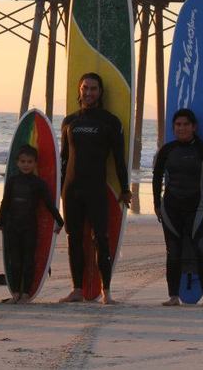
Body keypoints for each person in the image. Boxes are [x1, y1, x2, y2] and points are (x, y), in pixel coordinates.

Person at [59, 72, 132, 305]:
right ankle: (77, 289)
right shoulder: (69, 121)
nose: (88, 93)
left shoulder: (110, 122)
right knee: (74, 238)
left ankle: (107, 292)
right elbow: (63, 159)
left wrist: (125, 188)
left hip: (96, 189)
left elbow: (119, 160)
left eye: (93, 89)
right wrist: (58, 191)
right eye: (85, 88)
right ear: (79, 91)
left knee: (101, 238)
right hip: (72, 189)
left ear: (100, 93)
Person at [152, 108, 203, 308]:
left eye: (186, 124)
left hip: (197, 207)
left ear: (194, 127)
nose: (182, 128)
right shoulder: (167, 150)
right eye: (178, 125)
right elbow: (156, 178)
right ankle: (173, 297)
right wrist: (156, 204)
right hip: (170, 207)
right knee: (173, 251)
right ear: (173, 127)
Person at [0, 144, 63, 303]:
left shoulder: (38, 183)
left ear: (35, 163)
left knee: (28, 260)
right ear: (17, 163)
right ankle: (15, 293)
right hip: (12, 226)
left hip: (29, 226)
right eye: (23, 161)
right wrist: (0, 220)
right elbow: (5, 202)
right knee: (15, 260)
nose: (26, 164)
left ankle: (25, 292)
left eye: (29, 161)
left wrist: (59, 220)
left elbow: (48, 203)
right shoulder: (12, 181)